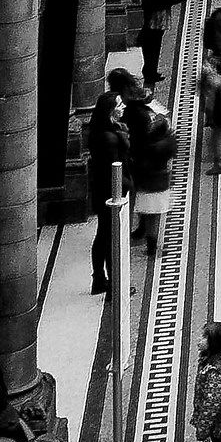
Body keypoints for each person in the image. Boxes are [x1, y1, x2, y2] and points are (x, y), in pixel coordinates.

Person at [85, 75, 134, 293]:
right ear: (110, 112)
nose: (123, 107)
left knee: (103, 235)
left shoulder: (104, 132)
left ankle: (99, 279)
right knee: (111, 239)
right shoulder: (110, 138)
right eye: (119, 105)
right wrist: (128, 186)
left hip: (102, 190)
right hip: (111, 191)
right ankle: (114, 285)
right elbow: (114, 167)